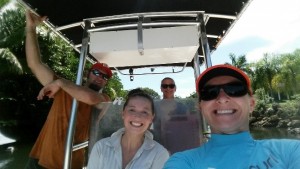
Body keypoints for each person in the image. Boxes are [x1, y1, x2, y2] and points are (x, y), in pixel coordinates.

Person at [163, 64, 300, 169]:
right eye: (210, 92)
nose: (222, 98)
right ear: (201, 108)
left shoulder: (291, 151)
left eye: (234, 89)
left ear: (251, 104)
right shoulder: (182, 162)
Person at [25, 10, 113, 169]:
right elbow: (35, 64)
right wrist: (31, 29)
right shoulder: (64, 87)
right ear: (87, 74)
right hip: (39, 159)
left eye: (105, 77)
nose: (100, 77)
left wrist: (61, 84)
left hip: (69, 164)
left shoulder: (104, 98)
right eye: (97, 72)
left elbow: (91, 99)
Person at [87, 88, 169, 169]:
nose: (137, 116)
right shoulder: (100, 147)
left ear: (152, 118)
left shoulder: (160, 154)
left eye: (144, 112)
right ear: (123, 113)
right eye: (132, 110)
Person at [153, 77, 199, 154]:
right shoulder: (154, 107)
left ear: (175, 88)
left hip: (177, 144)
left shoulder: (182, 108)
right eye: (165, 86)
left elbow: (188, 129)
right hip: (157, 145)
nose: (168, 88)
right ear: (161, 88)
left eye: (171, 86)